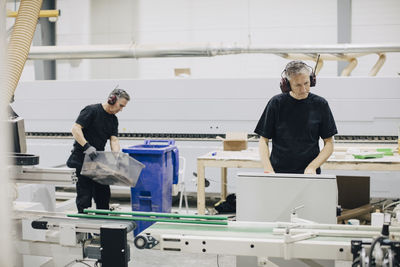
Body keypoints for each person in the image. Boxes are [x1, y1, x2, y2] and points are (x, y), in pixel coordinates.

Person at [255, 61, 337, 174]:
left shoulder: (320, 104)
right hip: (278, 172)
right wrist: (268, 168)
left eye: (306, 83)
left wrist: (312, 166)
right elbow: (263, 140)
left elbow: (329, 143)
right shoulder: (276, 103)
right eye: (298, 85)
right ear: (287, 85)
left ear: (312, 80)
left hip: (309, 173)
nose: (303, 89)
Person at [66, 88, 130, 213]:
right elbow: (75, 129)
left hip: (98, 159)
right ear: (112, 100)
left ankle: (103, 225)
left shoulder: (113, 119)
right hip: (82, 158)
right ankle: (84, 226)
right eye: (120, 105)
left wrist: (117, 157)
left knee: (103, 194)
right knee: (85, 195)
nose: (121, 109)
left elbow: (114, 140)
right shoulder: (91, 110)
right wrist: (86, 146)